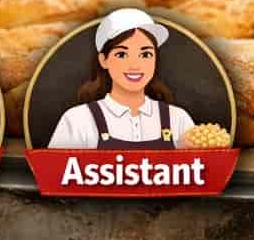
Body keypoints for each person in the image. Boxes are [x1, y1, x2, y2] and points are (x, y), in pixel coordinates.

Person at [47, 9, 197, 150]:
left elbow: (201, 173)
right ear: (103, 60)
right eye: (121, 55)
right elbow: (56, 175)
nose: (135, 65)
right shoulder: (77, 120)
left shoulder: (178, 119)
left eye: (145, 55)